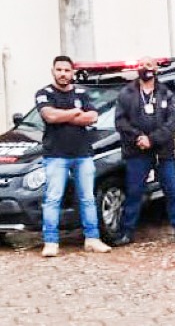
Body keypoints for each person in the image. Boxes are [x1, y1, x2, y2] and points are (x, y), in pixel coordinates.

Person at [35, 56, 112, 257]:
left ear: (72, 72)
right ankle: (51, 242)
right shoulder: (44, 93)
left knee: (87, 198)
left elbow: (93, 116)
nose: (63, 74)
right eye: (59, 69)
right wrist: (76, 113)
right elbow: (49, 116)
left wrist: (64, 116)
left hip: (83, 154)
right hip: (56, 155)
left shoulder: (81, 92)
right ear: (53, 71)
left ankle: (92, 239)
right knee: (53, 199)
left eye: (66, 70)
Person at [112, 57, 175, 246]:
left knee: (172, 190)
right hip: (136, 150)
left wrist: (152, 139)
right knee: (134, 192)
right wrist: (138, 137)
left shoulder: (166, 93)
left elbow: (172, 122)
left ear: (156, 69)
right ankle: (127, 232)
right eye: (140, 65)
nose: (144, 68)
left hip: (163, 151)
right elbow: (120, 121)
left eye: (148, 65)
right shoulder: (126, 93)